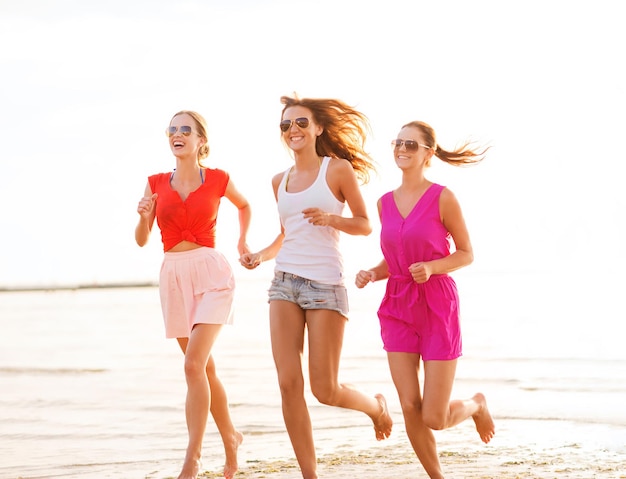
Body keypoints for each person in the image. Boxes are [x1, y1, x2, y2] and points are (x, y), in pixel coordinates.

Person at [240, 95, 393, 479]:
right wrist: (261, 254)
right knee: (289, 383)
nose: (293, 130)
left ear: (318, 128)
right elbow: (286, 234)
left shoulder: (337, 170)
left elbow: (363, 223)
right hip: (284, 284)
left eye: (301, 123)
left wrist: (330, 219)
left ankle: (375, 407)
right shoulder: (280, 181)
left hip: (326, 285)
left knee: (324, 390)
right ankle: (311, 475)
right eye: (286, 125)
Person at [355, 120, 495, 478]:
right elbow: (396, 255)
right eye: (398, 142)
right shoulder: (384, 203)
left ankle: (477, 405)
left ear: (428, 153)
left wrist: (432, 268)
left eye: (411, 145)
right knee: (408, 405)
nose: (402, 149)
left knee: (433, 416)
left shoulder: (443, 197)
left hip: (437, 305)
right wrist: (373, 272)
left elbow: (466, 253)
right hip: (397, 304)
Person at [135, 110, 250, 479]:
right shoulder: (154, 183)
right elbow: (142, 240)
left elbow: (245, 205)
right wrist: (142, 216)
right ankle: (231, 438)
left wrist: (242, 240)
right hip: (173, 276)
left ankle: (193, 458)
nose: (177, 134)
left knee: (192, 365)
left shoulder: (217, 179)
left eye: (186, 130)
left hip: (212, 274)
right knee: (204, 367)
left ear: (201, 140)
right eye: (172, 130)